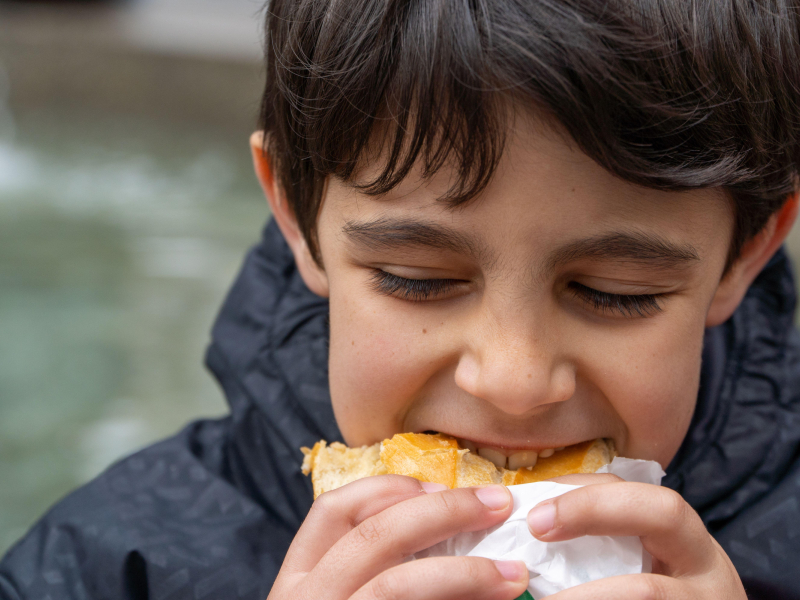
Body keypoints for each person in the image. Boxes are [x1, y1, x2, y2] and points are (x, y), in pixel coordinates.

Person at [3, 0, 800, 598]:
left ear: (746, 254)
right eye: (418, 279)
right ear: (296, 216)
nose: (513, 382)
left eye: (615, 293)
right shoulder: (111, 561)